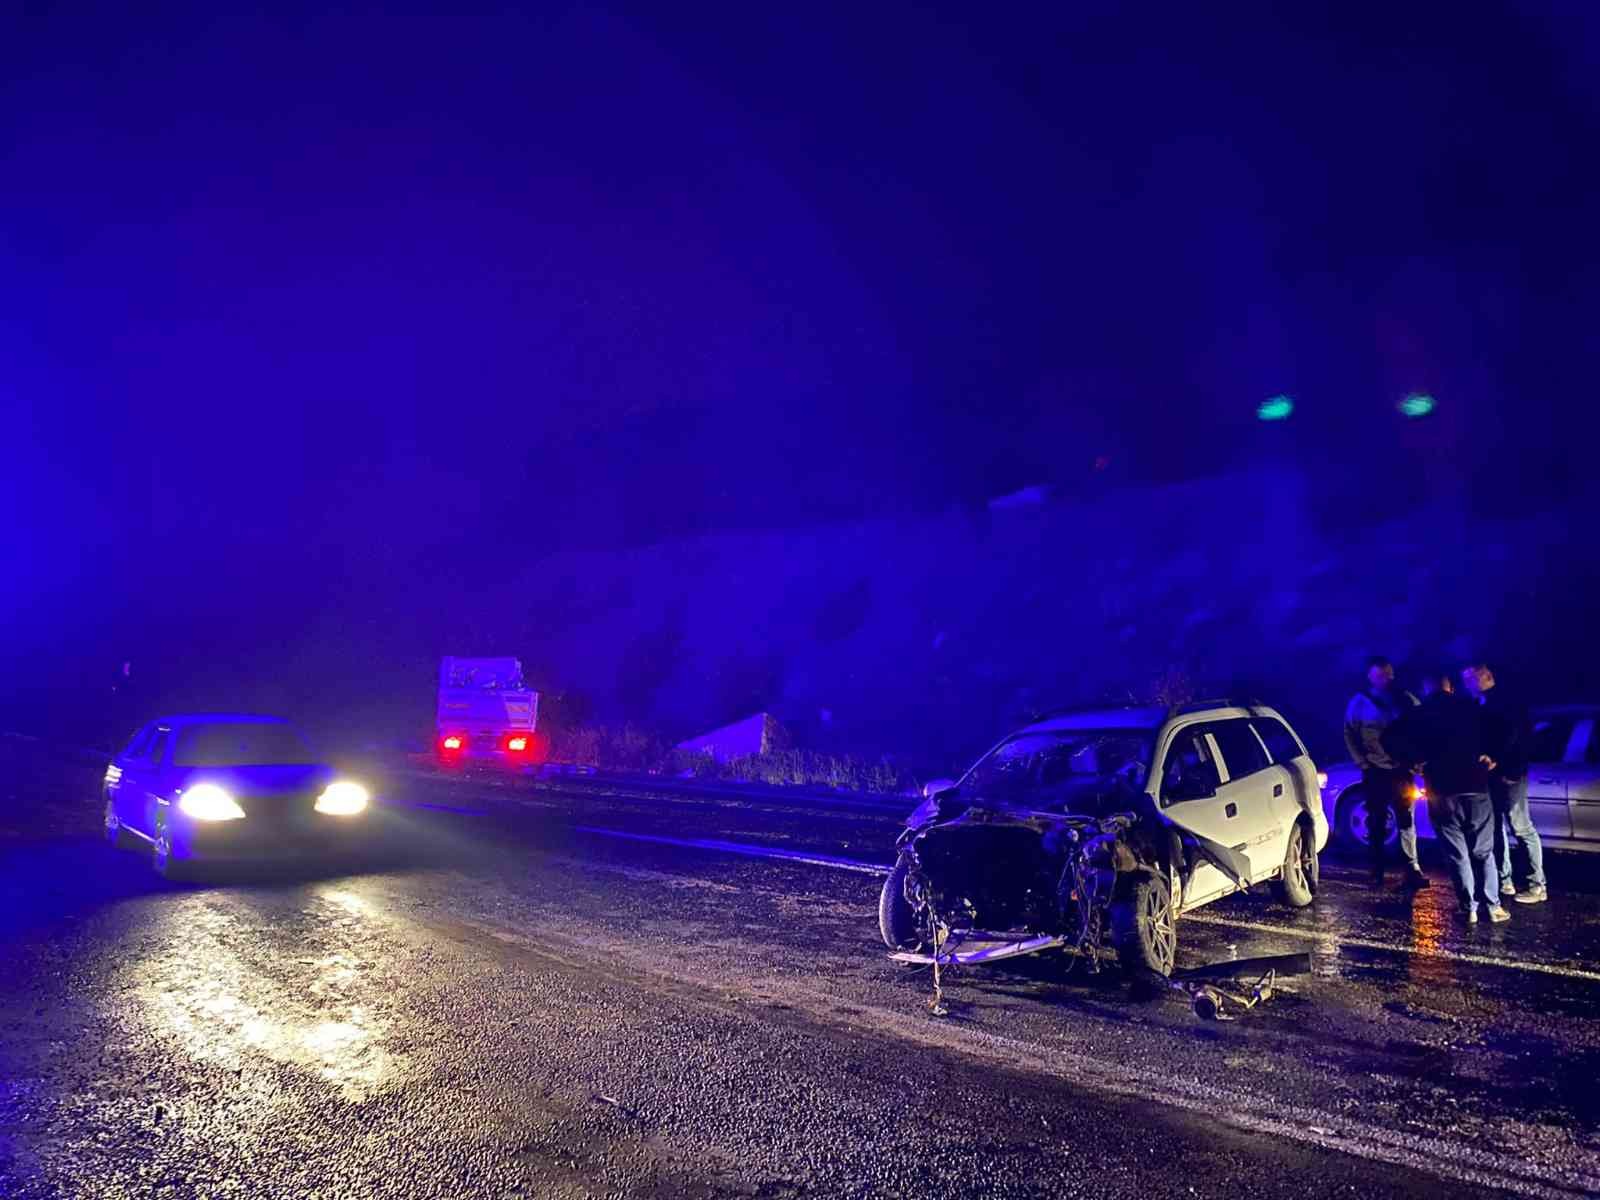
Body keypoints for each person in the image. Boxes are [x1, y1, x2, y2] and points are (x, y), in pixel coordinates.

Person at [1384, 679, 1507, 923]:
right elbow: (1504, 729)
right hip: (1476, 786)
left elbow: (1389, 737)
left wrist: (1412, 762)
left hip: (1441, 789)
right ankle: (1493, 906)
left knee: (1456, 853)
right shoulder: (1470, 707)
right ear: (1450, 686)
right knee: (1484, 851)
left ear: (1427, 688)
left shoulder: (1420, 713)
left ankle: (1468, 907)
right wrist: (1493, 756)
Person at [1463, 663, 1547, 905]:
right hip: (1492, 774)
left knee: (1521, 828)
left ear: (1486, 676)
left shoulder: (1505, 703)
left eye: (1470, 678)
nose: (1466, 684)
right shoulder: (1481, 704)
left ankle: (1537, 884)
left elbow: (1519, 739)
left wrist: (1511, 770)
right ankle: (1505, 880)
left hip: (1509, 774)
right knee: (1496, 826)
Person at [1343, 657, 1427, 889]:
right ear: (1370, 676)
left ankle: (1412, 868)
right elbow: (1349, 734)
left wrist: (1416, 761)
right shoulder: (1359, 703)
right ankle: (1376, 871)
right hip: (1375, 771)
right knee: (1376, 822)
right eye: (1379, 674)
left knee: (1406, 820)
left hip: (1402, 769)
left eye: (1388, 673)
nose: (1385, 678)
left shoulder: (1406, 699)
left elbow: (1421, 728)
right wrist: (1363, 763)